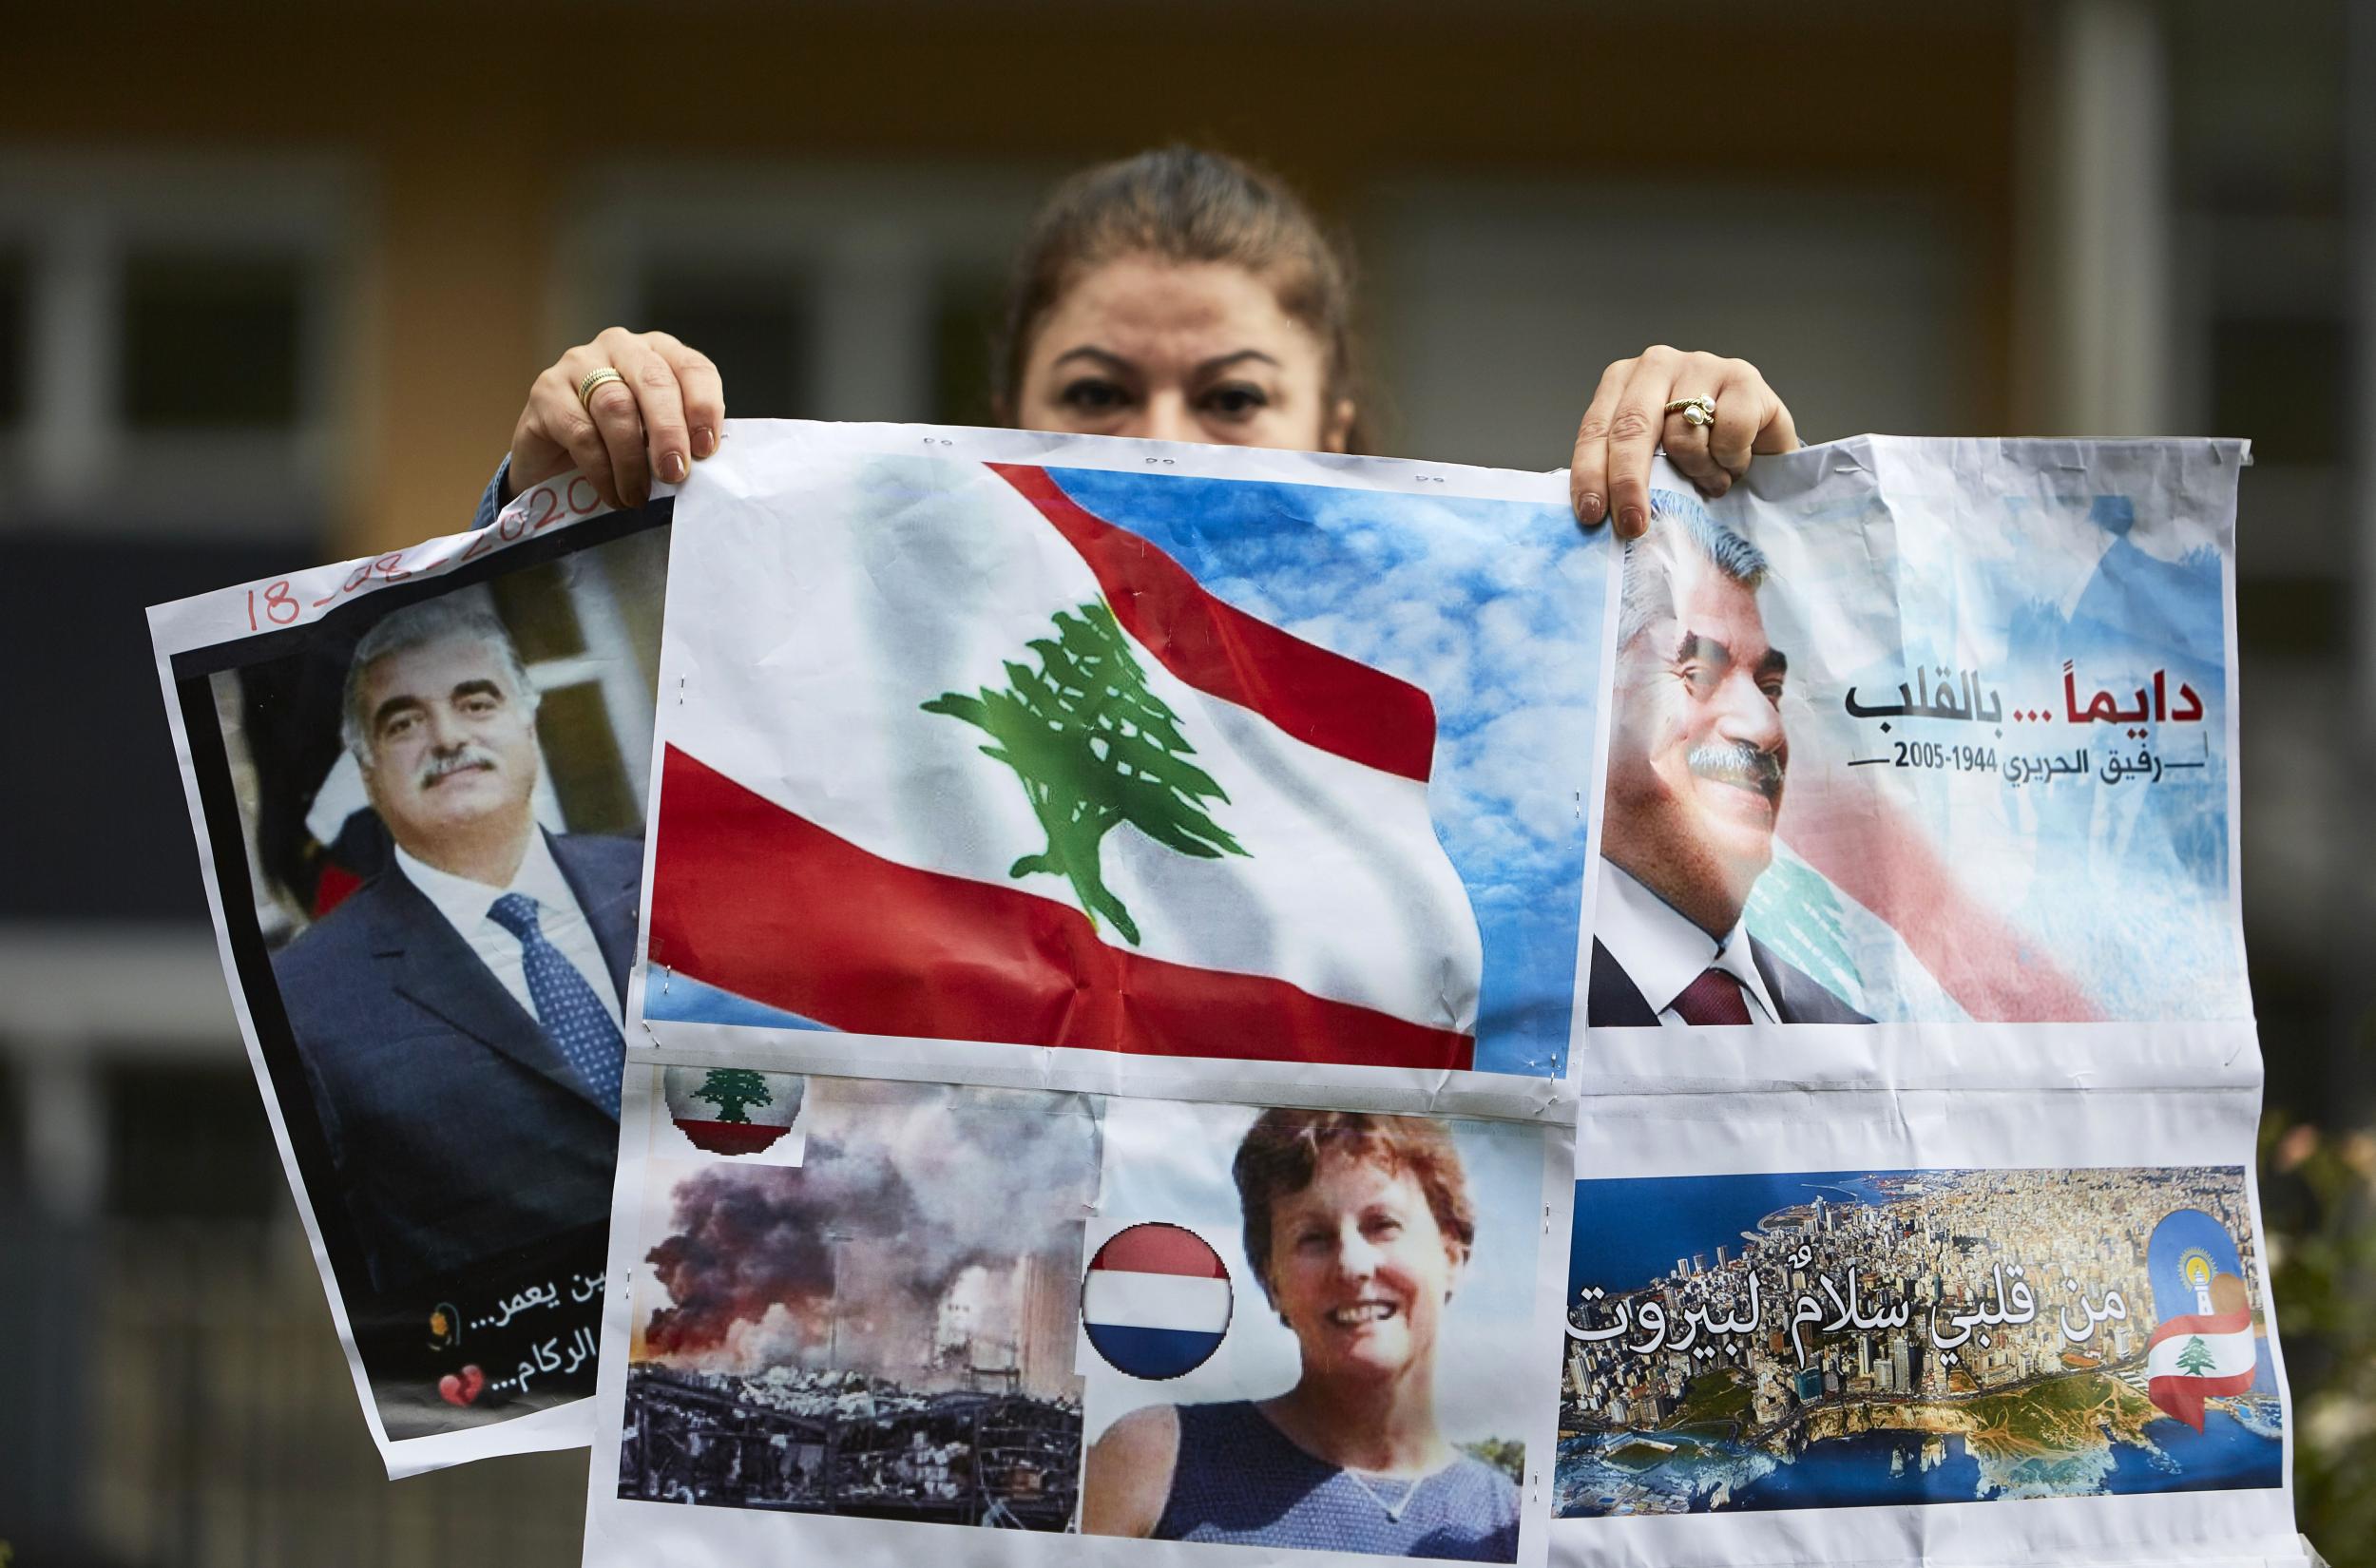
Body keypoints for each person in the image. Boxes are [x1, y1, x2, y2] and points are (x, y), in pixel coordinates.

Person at [479, 145, 1802, 545]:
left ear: (1333, 424)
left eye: (1231, 397)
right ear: (1006, 407)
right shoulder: (841, 641)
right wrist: (536, 527)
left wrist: (1747, 541)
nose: (1160, 448)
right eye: (1098, 391)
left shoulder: (1487, 690)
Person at [271, 597, 642, 1291]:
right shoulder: (301, 1003)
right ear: (370, 773)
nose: (446, 738)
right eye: (404, 721)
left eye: (475, 704)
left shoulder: (660, 884)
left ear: (528, 725)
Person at [1083, 1109, 1516, 1561]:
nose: (1352, 1265)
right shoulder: (1158, 1462)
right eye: (1313, 1237)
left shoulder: (1507, 1519)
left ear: (1451, 1257)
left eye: (1383, 1224)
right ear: (1273, 1284)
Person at [1586, 490, 1869, 1026]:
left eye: (1771, 687)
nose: (1765, 728)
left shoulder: (1859, 1039)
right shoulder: (1483, 1025)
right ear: (1590, 695)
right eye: (1698, 675)